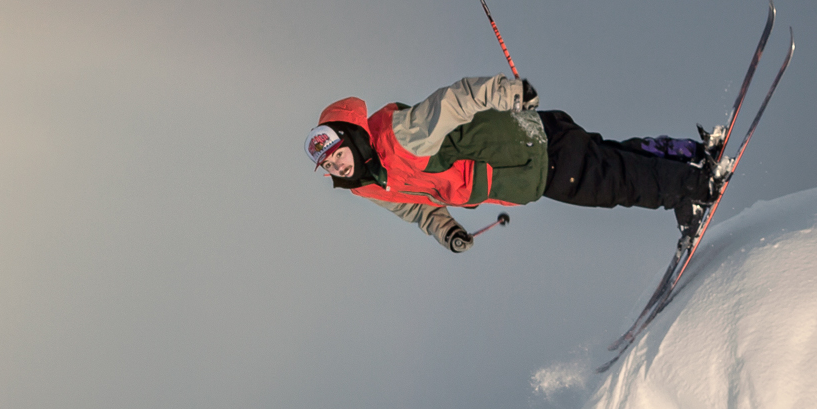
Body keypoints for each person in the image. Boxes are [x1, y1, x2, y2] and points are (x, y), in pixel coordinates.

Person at [306, 74, 722, 254]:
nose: (337, 167)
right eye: (329, 166)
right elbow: (416, 208)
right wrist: (446, 230)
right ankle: (685, 155)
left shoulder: (398, 135)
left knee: (611, 182)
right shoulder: (370, 184)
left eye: (337, 154)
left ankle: (694, 188)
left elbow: (455, 100)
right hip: (528, 152)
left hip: (521, 153)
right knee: (607, 160)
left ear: (352, 137)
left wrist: (509, 93)